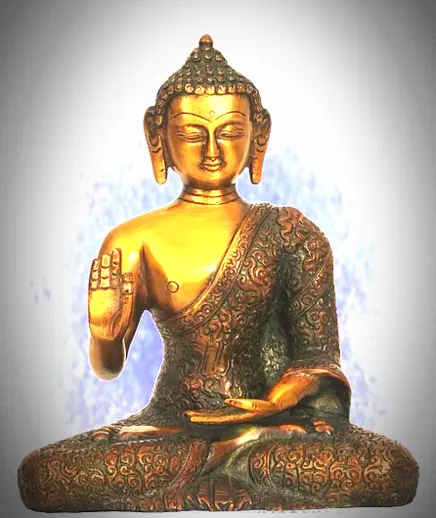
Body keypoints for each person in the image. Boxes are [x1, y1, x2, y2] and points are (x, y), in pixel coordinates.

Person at [18, 34, 418, 512]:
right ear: (157, 136)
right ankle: (223, 461)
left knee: (389, 469)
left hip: (270, 429)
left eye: (230, 131)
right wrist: (104, 334)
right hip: (172, 424)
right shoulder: (132, 241)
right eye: (192, 133)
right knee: (43, 476)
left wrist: (274, 404)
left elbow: (317, 360)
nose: (212, 149)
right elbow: (109, 368)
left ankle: (224, 457)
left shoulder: (290, 233)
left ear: (258, 135)